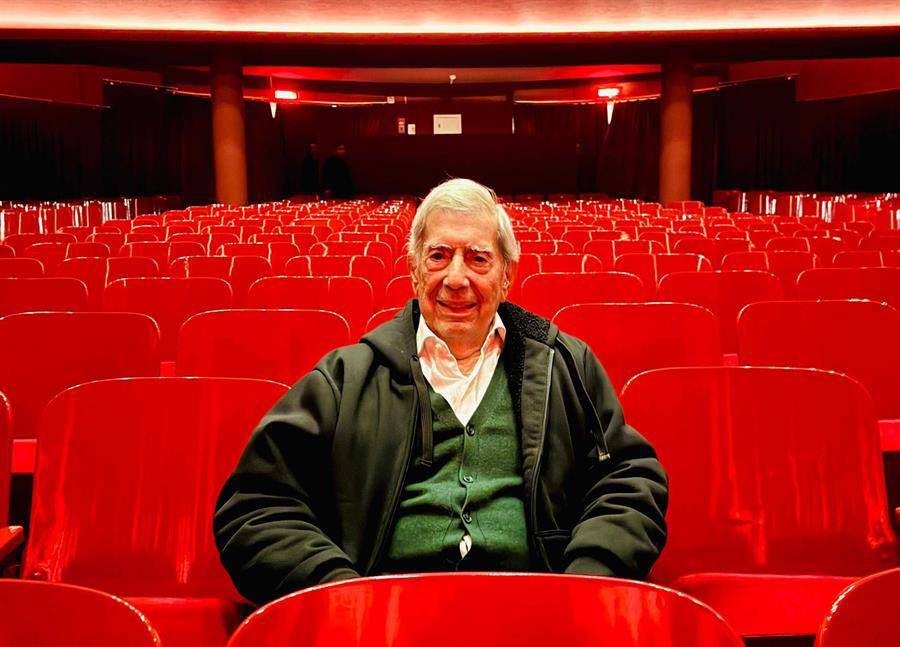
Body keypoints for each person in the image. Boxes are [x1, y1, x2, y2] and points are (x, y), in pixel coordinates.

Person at [214, 178, 668, 605]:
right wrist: (340, 592)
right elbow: (255, 507)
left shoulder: (565, 365)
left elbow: (628, 482)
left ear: (507, 275)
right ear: (414, 271)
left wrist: (586, 580)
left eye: (478, 259)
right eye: (438, 256)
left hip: (538, 612)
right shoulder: (346, 377)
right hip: (382, 621)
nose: (455, 278)